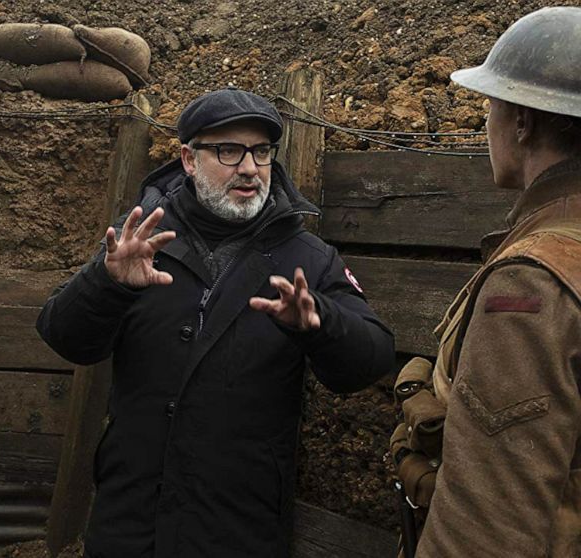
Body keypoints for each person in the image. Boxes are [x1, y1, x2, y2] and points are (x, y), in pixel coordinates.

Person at [37, 88, 395, 557]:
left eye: (261, 151)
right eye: (228, 151)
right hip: (130, 520)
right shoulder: (143, 238)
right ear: (188, 159)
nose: (249, 167)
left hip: (238, 527)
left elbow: (372, 357)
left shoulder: (307, 257)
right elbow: (65, 337)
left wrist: (319, 323)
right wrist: (108, 282)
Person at [395, 8, 581, 557]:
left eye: (492, 104)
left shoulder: (532, 284)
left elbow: (486, 532)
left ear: (522, 121)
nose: (487, 120)